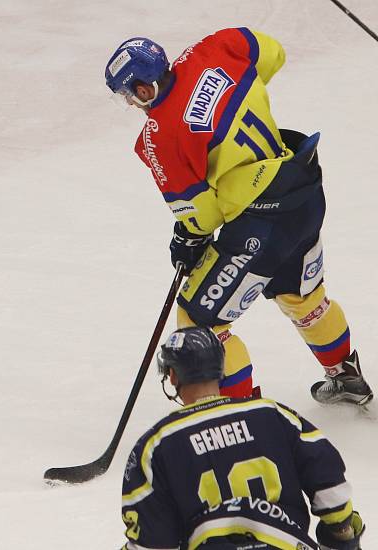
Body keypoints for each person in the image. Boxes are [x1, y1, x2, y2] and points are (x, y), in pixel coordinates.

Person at [103, 29, 372, 406]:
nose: (132, 104)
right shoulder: (214, 48)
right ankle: (346, 375)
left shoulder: (160, 136)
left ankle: (240, 415)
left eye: (129, 95)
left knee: (199, 322)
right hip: (303, 189)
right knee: (302, 296)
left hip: (261, 225)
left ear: (145, 89)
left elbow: (202, 215)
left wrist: (187, 237)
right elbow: (273, 54)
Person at [120, 326, 365, 550]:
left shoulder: (156, 445)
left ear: (172, 375)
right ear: (222, 367)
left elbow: (152, 541)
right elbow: (330, 485)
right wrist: (341, 530)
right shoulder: (273, 414)